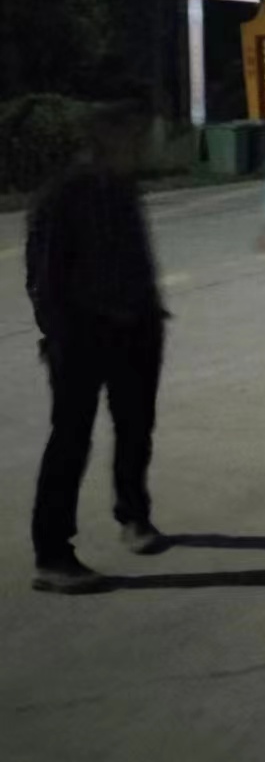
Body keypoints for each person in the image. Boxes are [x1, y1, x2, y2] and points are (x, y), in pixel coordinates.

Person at [27, 101, 170, 594]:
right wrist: (58, 333)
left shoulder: (123, 187)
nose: (142, 143)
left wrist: (149, 310)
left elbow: (136, 256)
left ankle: (134, 515)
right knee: (71, 439)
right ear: (106, 137)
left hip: (137, 329)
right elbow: (44, 276)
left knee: (136, 427)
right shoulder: (64, 193)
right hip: (82, 336)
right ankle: (52, 554)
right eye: (133, 134)